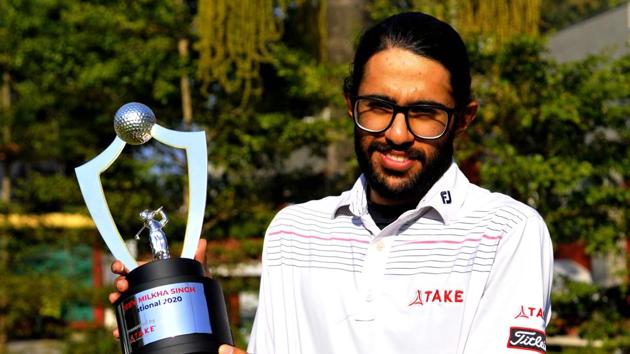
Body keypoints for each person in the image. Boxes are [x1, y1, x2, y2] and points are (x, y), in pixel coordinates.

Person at [111, 11, 553, 354]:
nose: (398, 133)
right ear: (349, 103)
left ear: (463, 119)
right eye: (378, 106)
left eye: (424, 113)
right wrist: (186, 312)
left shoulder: (506, 231)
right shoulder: (294, 231)